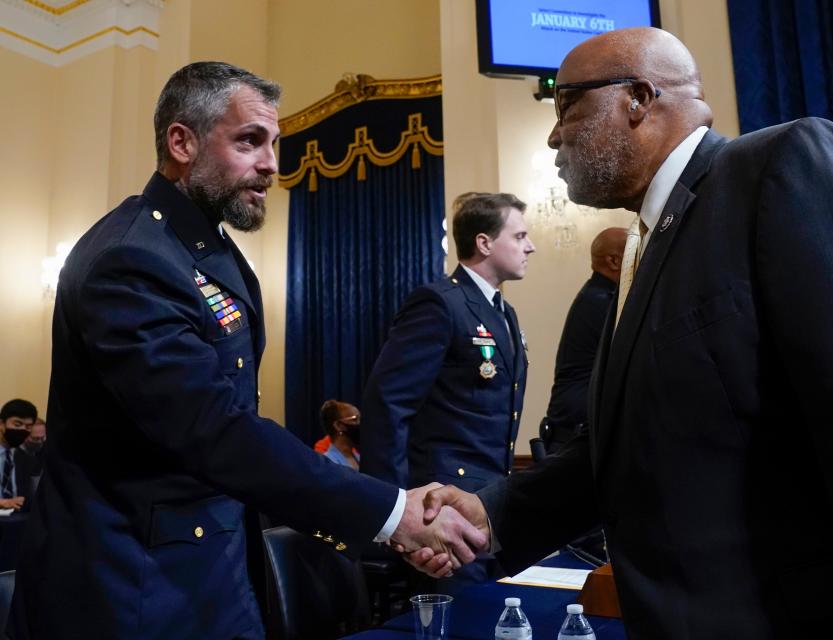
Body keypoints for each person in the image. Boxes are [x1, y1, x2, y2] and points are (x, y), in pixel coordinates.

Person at [411, 27, 833, 639]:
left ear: (638, 99)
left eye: (566, 105)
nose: (553, 134)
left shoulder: (782, 167)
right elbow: (629, 449)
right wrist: (494, 510)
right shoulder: (645, 247)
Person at [10, 61, 484, 640]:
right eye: (249, 141)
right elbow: (216, 431)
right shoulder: (130, 258)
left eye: (276, 144)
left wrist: (382, 522)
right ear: (181, 142)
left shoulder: (205, 251)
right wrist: (390, 516)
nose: (271, 165)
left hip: (212, 575)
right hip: (133, 589)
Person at [360, 191, 535, 590]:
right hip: (441, 504)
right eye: (520, 235)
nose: (531, 246)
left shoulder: (505, 313)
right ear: (484, 242)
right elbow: (388, 401)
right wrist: (391, 508)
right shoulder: (440, 303)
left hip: (490, 500)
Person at [541, 227, 626, 453]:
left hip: (577, 429)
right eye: (636, 250)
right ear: (614, 261)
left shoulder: (600, 295)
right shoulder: (601, 302)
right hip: (574, 435)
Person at [0, 399, 40, 511]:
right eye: (17, 424)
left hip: (16, 522)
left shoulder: (26, 459)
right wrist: (2, 503)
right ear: (1, 424)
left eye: (28, 427)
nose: (22, 429)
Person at [318, 399, 361, 470]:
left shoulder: (360, 458)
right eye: (355, 419)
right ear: (338, 425)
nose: (359, 424)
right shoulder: (329, 462)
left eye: (360, 419)